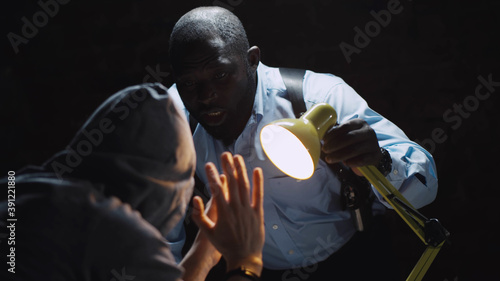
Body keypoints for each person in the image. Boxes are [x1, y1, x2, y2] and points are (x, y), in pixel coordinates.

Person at [166, 6, 439, 281]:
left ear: (252, 60)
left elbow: (425, 184)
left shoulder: (317, 96)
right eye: (188, 83)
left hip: (354, 260)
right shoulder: (172, 124)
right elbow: (162, 239)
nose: (206, 95)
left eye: (220, 75)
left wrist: (380, 160)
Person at [0, 83, 265, 281]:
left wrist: (203, 254)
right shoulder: (113, 232)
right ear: (167, 190)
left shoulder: (23, 187)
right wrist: (246, 262)